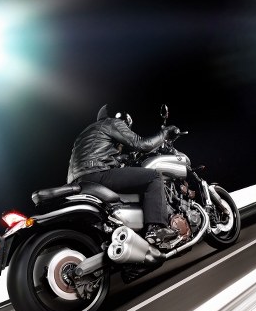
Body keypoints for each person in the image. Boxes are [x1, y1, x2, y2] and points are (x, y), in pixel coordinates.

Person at [67, 104, 179, 244]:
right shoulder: (112, 123)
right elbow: (142, 144)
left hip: (77, 180)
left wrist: (122, 158)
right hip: (97, 173)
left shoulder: (85, 133)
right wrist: (165, 133)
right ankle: (156, 228)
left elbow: (98, 154)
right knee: (154, 177)